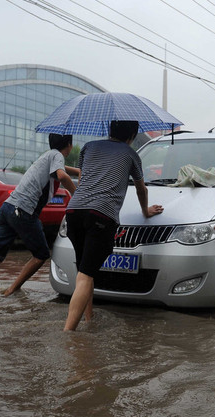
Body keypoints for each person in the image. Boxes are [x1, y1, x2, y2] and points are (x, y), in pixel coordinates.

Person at [63, 120, 163, 331]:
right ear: (133, 134)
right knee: (86, 274)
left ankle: (89, 320)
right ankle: (69, 334)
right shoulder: (131, 154)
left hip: (74, 212)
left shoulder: (89, 146)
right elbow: (141, 189)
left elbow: (84, 178)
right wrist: (146, 211)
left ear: (110, 130)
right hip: (100, 215)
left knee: (85, 270)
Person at [0, 133, 78, 297]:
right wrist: (76, 196)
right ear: (69, 144)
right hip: (23, 211)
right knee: (41, 255)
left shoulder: (48, 156)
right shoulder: (57, 155)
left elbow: (62, 170)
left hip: (7, 208)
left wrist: (78, 171)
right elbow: (62, 175)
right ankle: (11, 290)